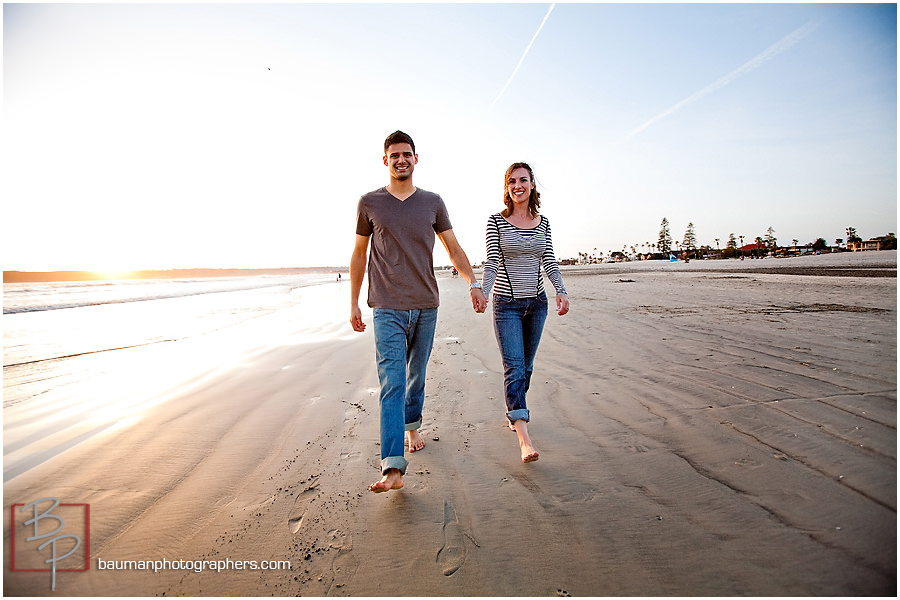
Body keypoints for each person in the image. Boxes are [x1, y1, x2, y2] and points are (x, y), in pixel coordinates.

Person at [350, 130, 487, 493]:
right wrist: (353, 302)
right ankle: (392, 465)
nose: (401, 160)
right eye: (394, 155)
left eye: (406, 154)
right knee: (392, 382)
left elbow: (452, 247)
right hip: (386, 307)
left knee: (416, 377)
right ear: (385, 160)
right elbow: (359, 254)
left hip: (426, 305)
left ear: (415, 158)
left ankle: (412, 426)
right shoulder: (369, 203)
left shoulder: (432, 202)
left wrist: (473, 281)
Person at [481, 162, 569, 463]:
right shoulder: (496, 221)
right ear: (507, 188)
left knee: (526, 368)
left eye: (523, 180)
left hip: (537, 305)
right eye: (512, 181)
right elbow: (492, 261)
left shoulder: (543, 223)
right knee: (514, 368)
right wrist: (482, 290)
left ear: (532, 184)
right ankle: (524, 438)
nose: (517, 185)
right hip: (506, 305)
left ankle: (514, 410)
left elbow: (550, 261)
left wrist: (561, 290)